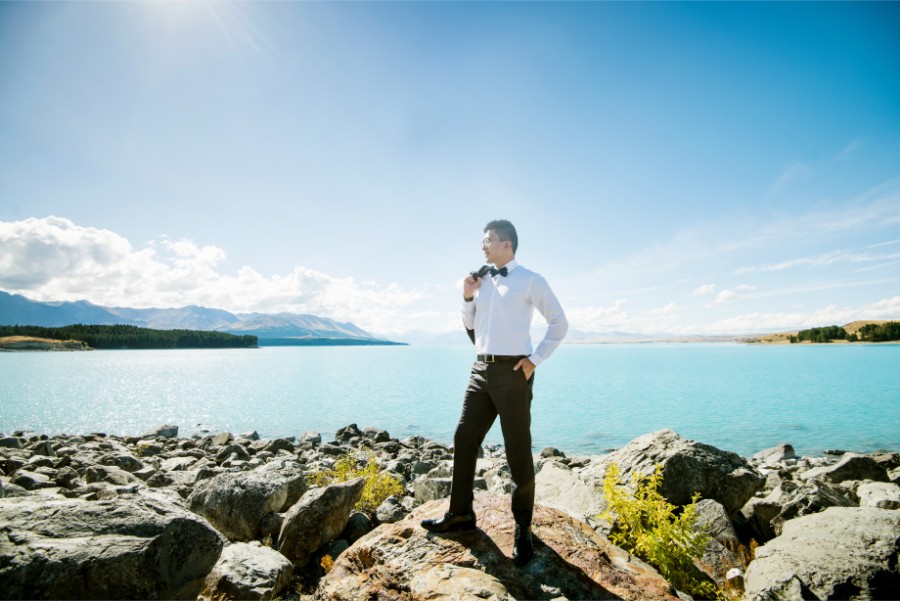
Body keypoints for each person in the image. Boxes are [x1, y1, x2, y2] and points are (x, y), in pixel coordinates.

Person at [421, 219, 568, 567]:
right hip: (479, 370)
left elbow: (559, 323)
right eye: (483, 240)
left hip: (513, 373)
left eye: (488, 240)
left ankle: (523, 529)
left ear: (507, 244)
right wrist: (467, 295)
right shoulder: (482, 280)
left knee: (517, 450)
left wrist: (534, 360)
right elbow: (471, 325)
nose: (483, 246)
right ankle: (460, 513)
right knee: (463, 437)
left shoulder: (531, 279)